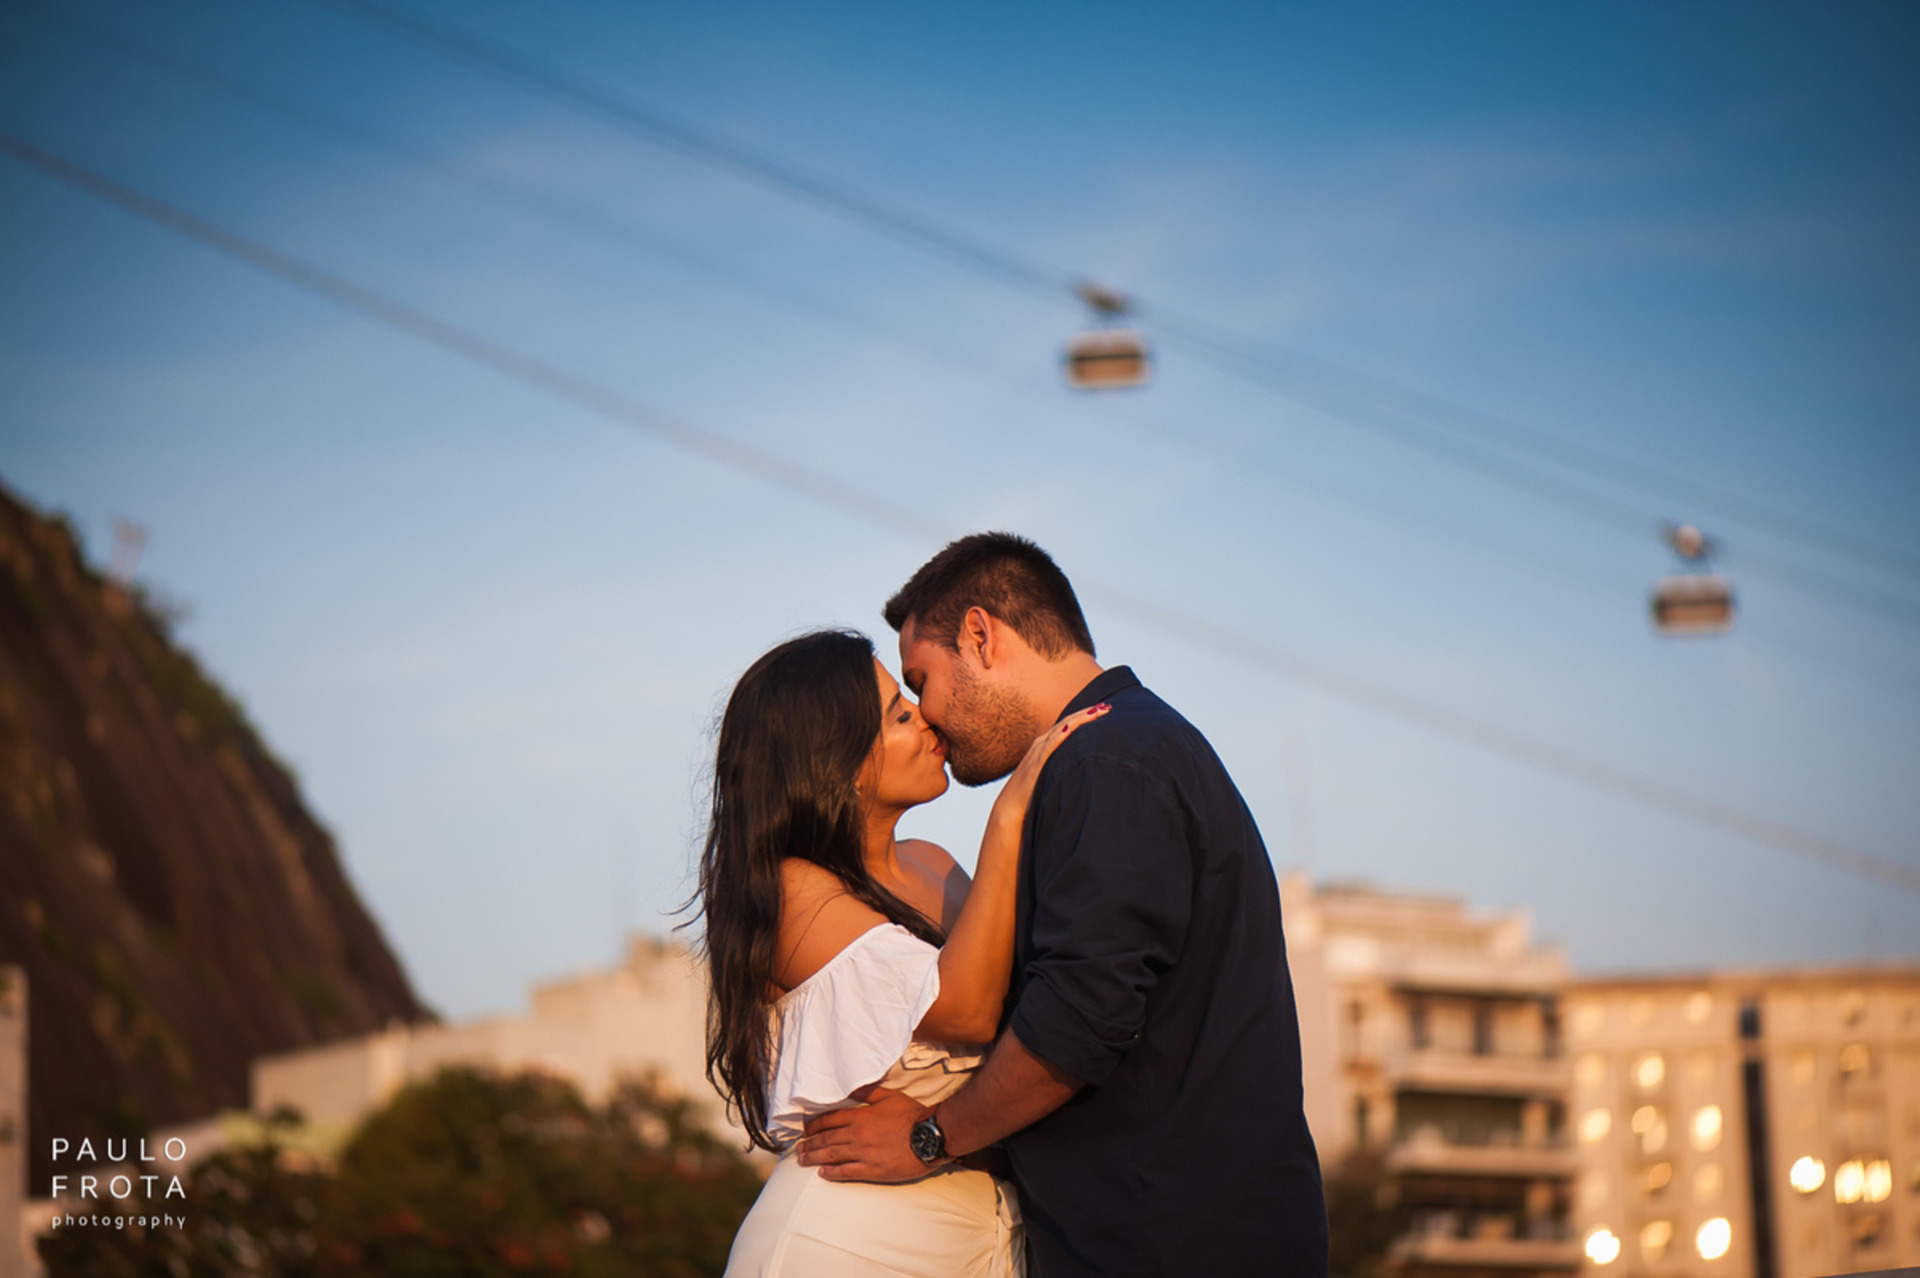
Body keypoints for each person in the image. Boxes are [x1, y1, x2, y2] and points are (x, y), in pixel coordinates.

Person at [797, 533, 1329, 1278]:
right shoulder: (1124, 749)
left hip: (1164, 1244)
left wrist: (930, 1138)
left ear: (981, 636)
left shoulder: (1106, 763)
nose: (928, 718)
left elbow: (1081, 1021)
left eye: (922, 681)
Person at [694, 627, 1109, 1277]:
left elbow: (1032, 1026)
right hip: (848, 1244)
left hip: (988, 1242)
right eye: (896, 712)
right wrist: (1007, 819)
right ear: (836, 760)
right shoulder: (793, 890)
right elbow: (968, 1012)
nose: (925, 716)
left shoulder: (935, 867)